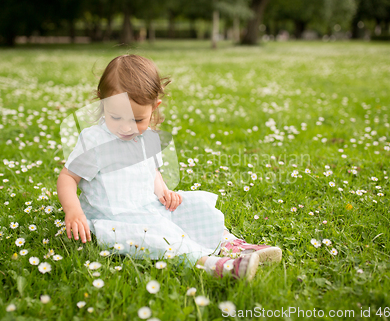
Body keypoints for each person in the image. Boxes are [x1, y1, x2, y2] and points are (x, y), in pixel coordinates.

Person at [56, 54, 282, 281]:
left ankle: (234, 246)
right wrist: (73, 210)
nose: (127, 128)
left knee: (192, 209)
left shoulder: (148, 138)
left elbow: (150, 171)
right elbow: (68, 177)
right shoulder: (94, 140)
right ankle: (214, 266)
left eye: (137, 120)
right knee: (157, 239)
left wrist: (162, 191)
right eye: (116, 117)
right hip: (115, 217)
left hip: (148, 206)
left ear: (154, 107)